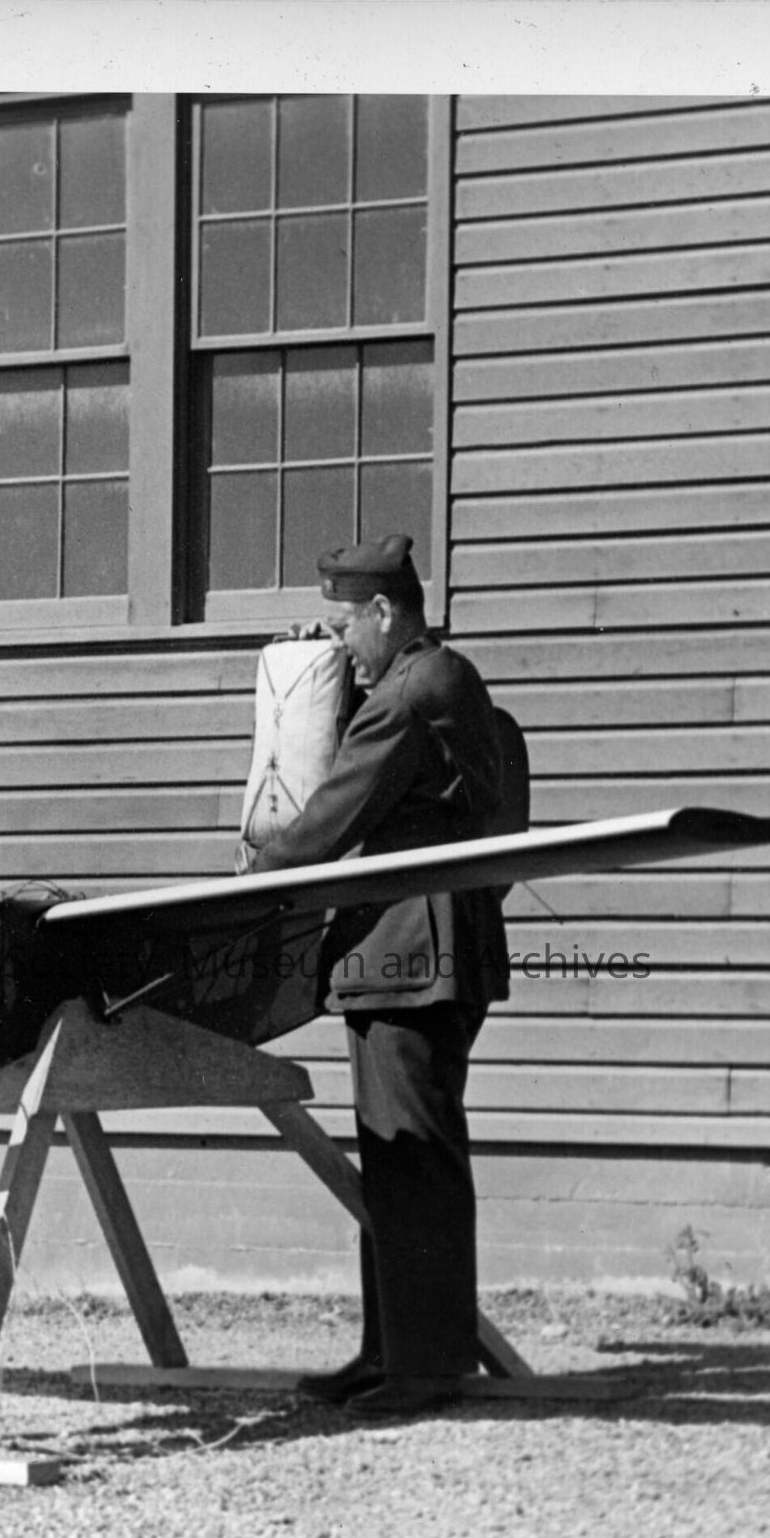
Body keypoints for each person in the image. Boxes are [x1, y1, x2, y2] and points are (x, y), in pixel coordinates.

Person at [247, 533, 512, 1419]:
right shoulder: (446, 680)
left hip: (411, 957)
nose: (340, 648)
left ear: (384, 612)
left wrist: (253, 872)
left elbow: (331, 815)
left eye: (344, 629)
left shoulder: (407, 695)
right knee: (396, 1158)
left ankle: (426, 1367)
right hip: (427, 950)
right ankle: (390, 1350)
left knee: (413, 1159)